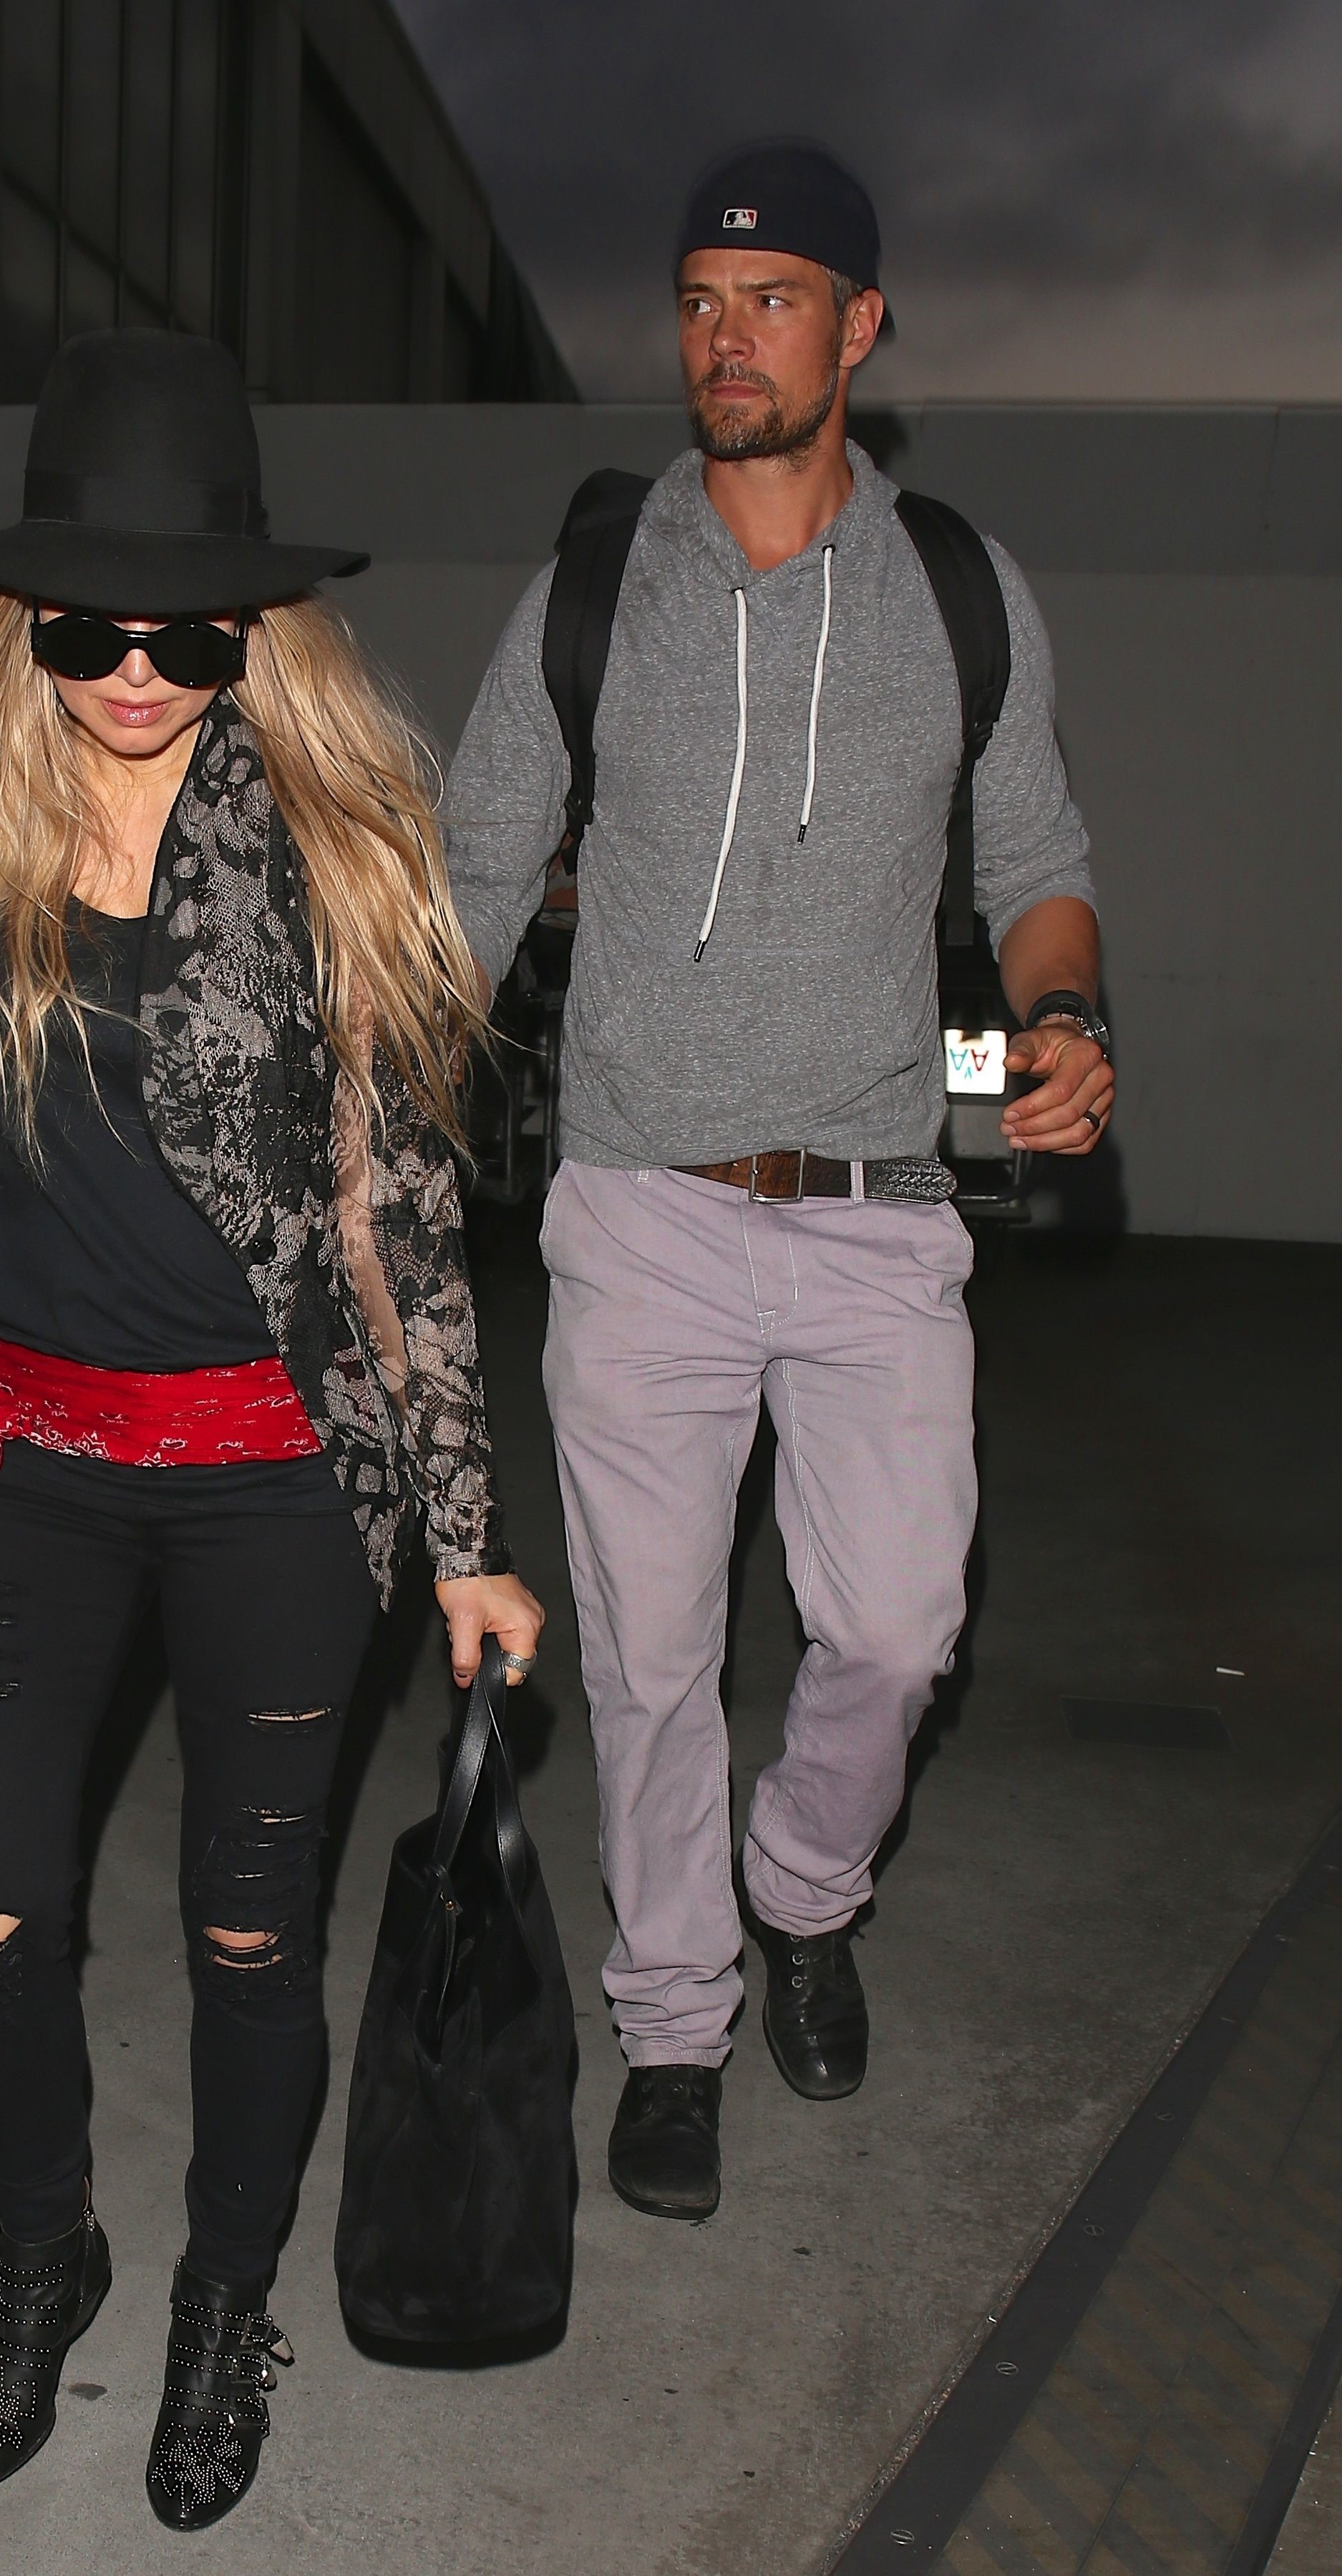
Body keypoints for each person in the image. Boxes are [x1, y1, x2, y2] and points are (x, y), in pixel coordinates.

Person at [0, 329, 543, 2529]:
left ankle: (222, 2293)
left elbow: (396, 1227)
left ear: (252, 632)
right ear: (26, 625)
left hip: (276, 1473)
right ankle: (47, 2249)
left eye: (183, 632)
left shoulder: (326, 856)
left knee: (246, 1928)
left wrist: (466, 1528)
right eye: (85, 628)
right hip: (20, 1453)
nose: (131, 671)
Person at [444, 143, 1111, 2225]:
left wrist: (1068, 1024)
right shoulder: (584, 591)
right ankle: (672, 2025)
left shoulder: (960, 597)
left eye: (774, 296)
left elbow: (1034, 872)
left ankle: (802, 1891)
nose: (727, 336)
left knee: (896, 1630)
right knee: (645, 1661)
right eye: (699, 299)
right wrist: (360, 1083)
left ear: (860, 327)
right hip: (638, 1207)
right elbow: (466, 879)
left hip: (881, 1210)